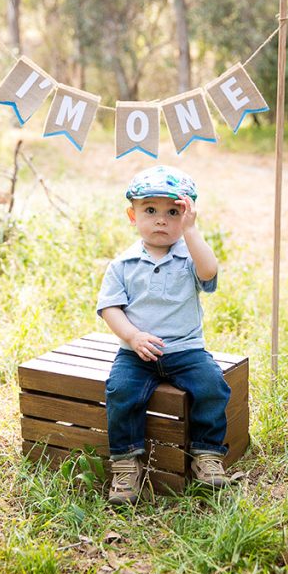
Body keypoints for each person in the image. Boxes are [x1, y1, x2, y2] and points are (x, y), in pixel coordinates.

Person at [96, 165, 231, 504]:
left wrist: (191, 232)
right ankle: (126, 463)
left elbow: (209, 271)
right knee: (120, 391)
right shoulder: (122, 264)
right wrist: (133, 336)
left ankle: (207, 454)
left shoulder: (189, 257)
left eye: (173, 212)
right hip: (136, 353)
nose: (161, 220)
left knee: (213, 385)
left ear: (186, 216)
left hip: (186, 350)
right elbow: (111, 309)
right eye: (150, 210)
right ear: (132, 215)